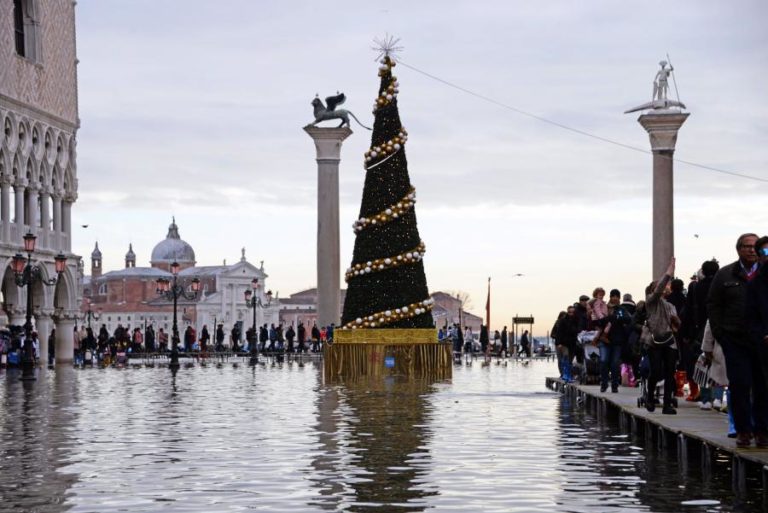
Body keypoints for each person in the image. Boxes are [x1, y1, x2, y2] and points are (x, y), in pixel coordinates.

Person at [709, 233, 765, 448]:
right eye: (747, 246)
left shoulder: (765, 272)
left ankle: (762, 430)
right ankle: (743, 430)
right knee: (740, 385)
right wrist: (720, 333)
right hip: (735, 339)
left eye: (755, 247)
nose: (751, 250)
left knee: (763, 386)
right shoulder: (725, 275)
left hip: (762, 340)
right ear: (739, 249)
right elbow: (713, 305)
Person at [643, 257, 679, 414]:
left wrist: (676, 321)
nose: (663, 288)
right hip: (654, 340)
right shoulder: (651, 302)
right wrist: (668, 273)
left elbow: (676, 326)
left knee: (670, 372)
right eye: (658, 286)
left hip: (669, 340)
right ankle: (650, 397)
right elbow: (658, 290)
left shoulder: (670, 305)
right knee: (656, 371)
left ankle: (667, 404)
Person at [745, 235, 768, 448]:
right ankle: (761, 430)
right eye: (765, 252)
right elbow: (750, 316)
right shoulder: (755, 284)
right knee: (761, 387)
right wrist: (761, 334)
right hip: (762, 343)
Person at [598, 289, 630, 393]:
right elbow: (598, 320)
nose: (615, 298)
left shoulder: (622, 309)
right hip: (604, 340)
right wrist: (608, 318)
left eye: (617, 296)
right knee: (603, 361)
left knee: (615, 364)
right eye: (613, 296)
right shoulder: (604, 307)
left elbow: (628, 319)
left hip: (617, 341)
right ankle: (604, 383)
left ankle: (614, 385)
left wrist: (616, 317)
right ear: (610, 297)